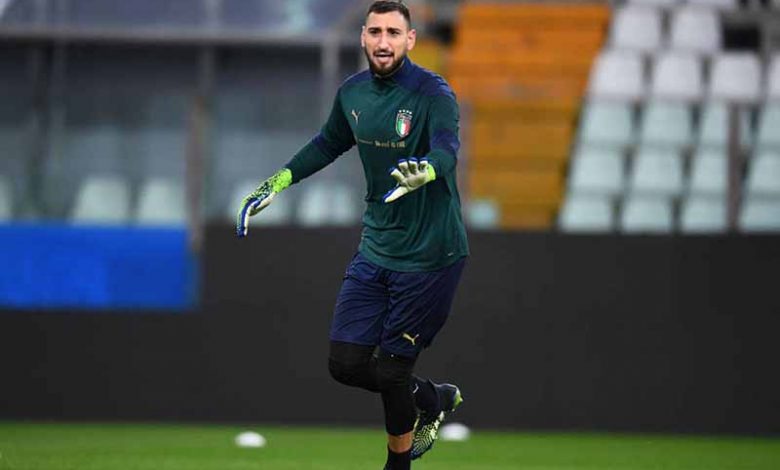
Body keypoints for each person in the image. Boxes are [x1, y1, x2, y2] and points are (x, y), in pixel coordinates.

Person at [236, 2, 468, 468]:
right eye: (375, 32)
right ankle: (433, 398)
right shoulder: (353, 93)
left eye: (393, 33)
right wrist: (277, 182)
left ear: (410, 40)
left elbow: (447, 148)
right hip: (376, 248)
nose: (383, 41)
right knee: (345, 364)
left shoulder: (433, 93)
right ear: (362, 36)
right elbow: (327, 143)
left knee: (393, 370)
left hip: (430, 257)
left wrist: (427, 170)